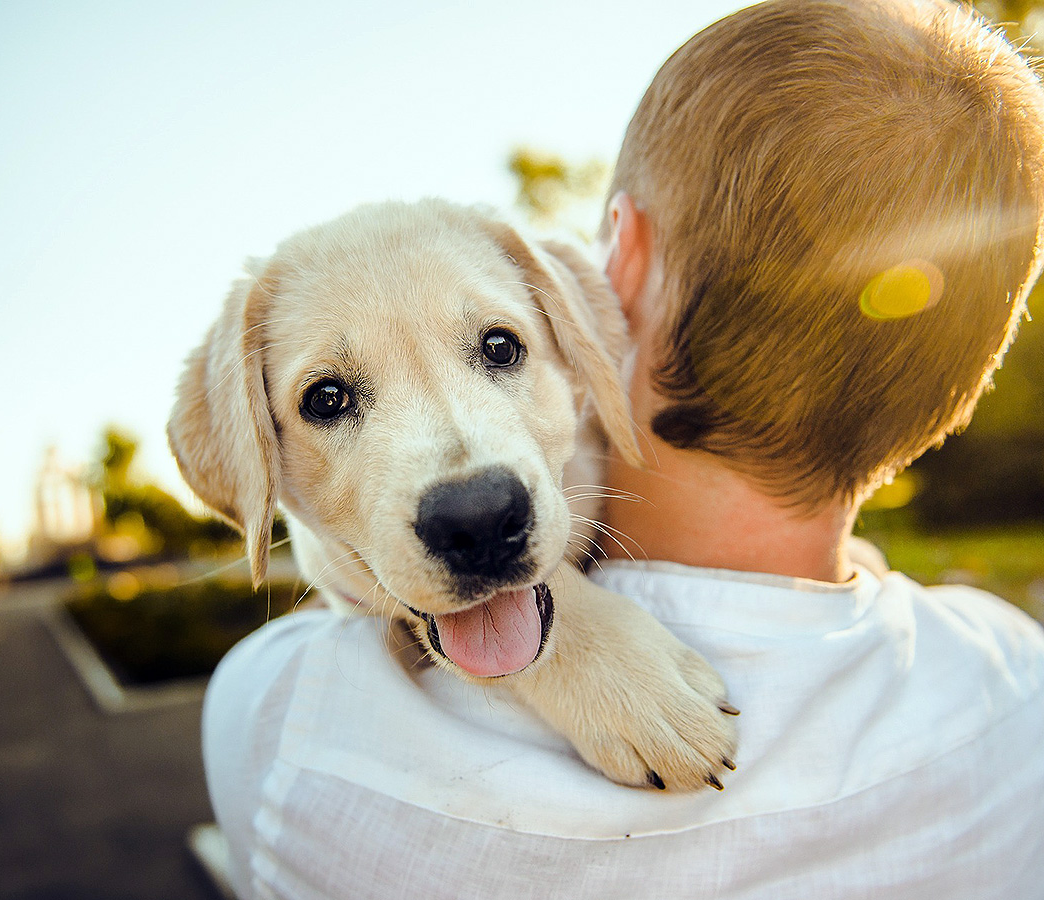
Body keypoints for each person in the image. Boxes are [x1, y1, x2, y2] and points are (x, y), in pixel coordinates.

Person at [201, 1, 1044, 897]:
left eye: (498, 349)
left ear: (618, 268)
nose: (467, 485)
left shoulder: (285, 723)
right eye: (330, 399)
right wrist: (567, 637)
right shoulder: (1014, 682)